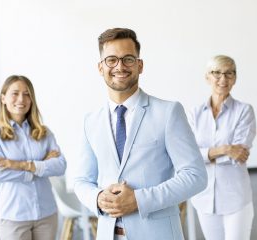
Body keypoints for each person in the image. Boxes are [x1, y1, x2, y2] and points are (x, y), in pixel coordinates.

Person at [73, 28, 207, 240]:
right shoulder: (90, 121)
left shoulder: (169, 112)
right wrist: (98, 197)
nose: (119, 66)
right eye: (111, 60)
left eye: (128, 59)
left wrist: (139, 199)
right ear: (100, 67)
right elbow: (81, 180)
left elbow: (195, 176)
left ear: (140, 65)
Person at [0, 75, 66, 240]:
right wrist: (41, 165)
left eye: (27, 94)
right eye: (15, 93)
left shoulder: (44, 132)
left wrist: (18, 164)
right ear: (3, 98)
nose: (21, 99)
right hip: (14, 216)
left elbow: (60, 166)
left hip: (46, 214)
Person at [188, 55, 255, 240]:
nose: (223, 79)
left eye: (229, 73)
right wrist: (225, 149)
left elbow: (240, 154)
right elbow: (190, 155)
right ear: (207, 77)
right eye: (216, 73)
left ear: (235, 78)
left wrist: (205, 154)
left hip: (236, 198)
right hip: (204, 197)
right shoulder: (195, 114)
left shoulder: (244, 111)